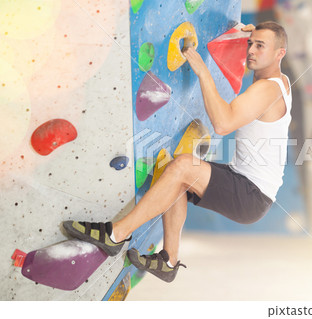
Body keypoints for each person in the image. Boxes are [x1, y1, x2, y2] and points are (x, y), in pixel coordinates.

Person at [63, 21, 292, 283]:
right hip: (248, 185)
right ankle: (168, 261)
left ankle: (115, 234)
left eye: (260, 46)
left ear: (280, 53)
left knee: (182, 167)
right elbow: (259, 50)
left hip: (251, 194)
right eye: (250, 44)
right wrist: (247, 35)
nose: (251, 50)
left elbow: (223, 123)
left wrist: (202, 71)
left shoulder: (267, 89)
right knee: (176, 173)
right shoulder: (279, 81)